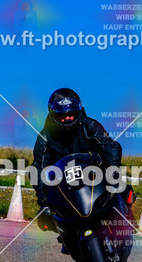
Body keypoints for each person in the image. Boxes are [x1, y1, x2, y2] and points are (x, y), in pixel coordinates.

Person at [31, 88, 135, 245]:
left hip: (94, 174)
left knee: (120, 186)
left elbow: (110, 146)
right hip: (63, 182)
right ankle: (67, 234)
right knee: (44, 215)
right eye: (62, 115)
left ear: (78, 110)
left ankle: (126, 214)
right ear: (53, 114)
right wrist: (41, 193)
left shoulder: (90, 125)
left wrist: (112, 168)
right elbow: (37, 166)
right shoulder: (45, 136)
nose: (67, 117)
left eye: (71, 113)